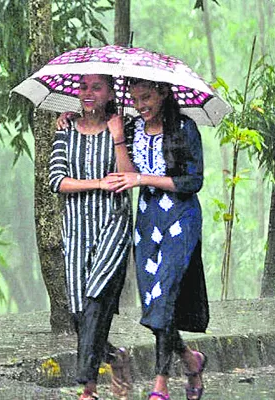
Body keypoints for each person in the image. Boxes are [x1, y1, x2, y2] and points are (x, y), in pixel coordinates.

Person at [105, 78, 209, 400]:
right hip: (148, 220)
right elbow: (125, 175)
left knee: (165, 297)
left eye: (146, 97)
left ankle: (160, 384)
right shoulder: (134, 128)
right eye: (135, 99)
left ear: (164, 93)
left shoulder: (186, 128)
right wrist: (119, 138)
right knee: (153, 304)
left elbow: (194, 180)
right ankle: (190, 360)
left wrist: (144, 178)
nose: (140, 105)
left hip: (181, 219)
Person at [49, 74, 133, 400]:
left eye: (96, 87)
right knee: (78, 309)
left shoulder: (121, 126)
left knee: (97, 296)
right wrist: (97, 183)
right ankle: (114, 357)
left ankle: (88, 386)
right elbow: (57, 180)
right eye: (83, 87)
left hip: (113, 221)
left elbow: (128, 176)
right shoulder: (64, 129)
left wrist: (118, 137)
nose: (88, 93)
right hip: (75, 227)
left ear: (110, 92)